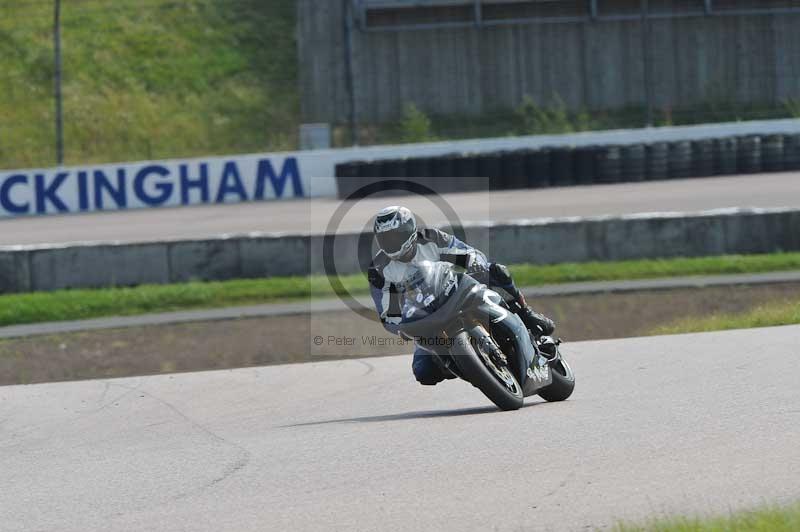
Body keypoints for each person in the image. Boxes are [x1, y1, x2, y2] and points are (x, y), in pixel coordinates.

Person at [367, 205, 555, 386]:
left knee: (497, 271)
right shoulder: (379, 269)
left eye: (396, 236)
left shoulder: (432, 238)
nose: (392, 242)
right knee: (424, 372)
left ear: (410, 230)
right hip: (427, 318)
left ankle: (526, 313)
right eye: (385, 238)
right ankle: (466, 366)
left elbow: (466, 253)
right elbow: (387, 313)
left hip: (456, 291)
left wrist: (474, 261)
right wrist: (400, 326)